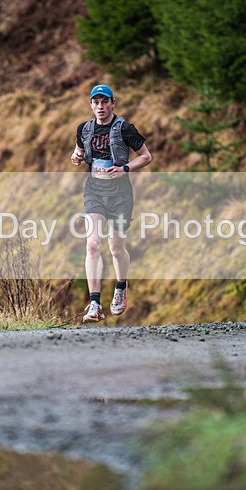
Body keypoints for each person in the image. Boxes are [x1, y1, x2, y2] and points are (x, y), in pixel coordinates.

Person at [70, 84, 153, 323]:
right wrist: (75, 157)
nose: (100, 106)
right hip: (94, 192)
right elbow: (77, 152)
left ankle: (120, 286)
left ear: (112, 104)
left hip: (120, 196)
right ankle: (94, 303)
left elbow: (146, 157)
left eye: (104, 102)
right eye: (96, 102)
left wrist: (126, 168)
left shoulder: (125, 128)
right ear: (91, 105)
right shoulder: (84, 128)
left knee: (116, 249)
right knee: (92, 245)